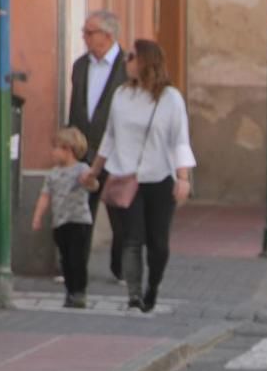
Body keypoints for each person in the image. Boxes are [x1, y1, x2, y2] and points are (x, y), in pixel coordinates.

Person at [81, 39, 195, 312]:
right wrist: (94, 171)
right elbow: (109, 136)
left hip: (159, 178)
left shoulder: (170, 99)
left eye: (131, 57)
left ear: (145, 61)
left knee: (158, 244)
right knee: (131, 239)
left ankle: (152, 287)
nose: (126, 61)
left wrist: (183, 178)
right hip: (124, 177)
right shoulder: (121, 95)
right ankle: (134, 296)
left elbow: (180, 140)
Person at [69, 10, 128, 283]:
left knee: (120, 214)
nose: (84, 37)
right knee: (80, 212)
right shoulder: (81, 66)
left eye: (89, 32)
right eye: (84, 31)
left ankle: (122, 268)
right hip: (85, 151)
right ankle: (75, 266)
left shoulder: (128, 67)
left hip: (117, 154)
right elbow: (75, 109)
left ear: (108, 35)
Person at [31, 128, 98, 309]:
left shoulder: (81, 169)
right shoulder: (53, 174)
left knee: (78, 258)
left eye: (56, 148)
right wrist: (38, 216)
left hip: (79, 220)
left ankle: (79, 292)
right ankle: (70, 291)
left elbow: (93, 185)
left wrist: (89, 181)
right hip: (60, 222)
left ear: (68, 150)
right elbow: (45, 195)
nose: (52, 152)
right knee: (65, 259)